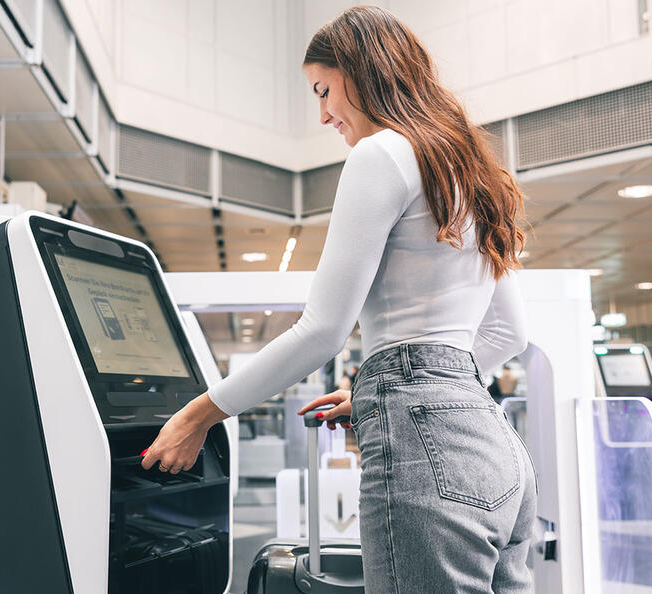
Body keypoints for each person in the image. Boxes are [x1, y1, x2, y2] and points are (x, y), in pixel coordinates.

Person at [141, 6, 535, 591]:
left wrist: (198, 416)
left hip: (430, 450)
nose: (323, 113)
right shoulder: (467, 168)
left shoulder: (380, 154)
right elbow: (510, 335)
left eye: (324, 90)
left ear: (363, 72)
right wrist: (389, 389)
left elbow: (323, 330)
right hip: (497, 449)